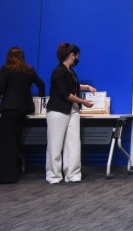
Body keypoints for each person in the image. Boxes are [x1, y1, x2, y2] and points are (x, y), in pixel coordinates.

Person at [45, 43, 96, 184]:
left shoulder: (70, 72)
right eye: (76, 55)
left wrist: (86, 87)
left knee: (73, 143)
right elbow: (65, 93)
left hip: (73, 110)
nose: (77, 58)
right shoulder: (58, 71)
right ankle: (54, 175)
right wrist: (83, 102)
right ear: (71, 55)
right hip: (58, 110)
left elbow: (72, 85)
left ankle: (73, 174)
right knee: (55, 144)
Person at [0, 47, 45, 183]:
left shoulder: (6, 69)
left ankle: (8, 176)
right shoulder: (29, 70)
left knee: (7, 143)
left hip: (9, 109)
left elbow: (1, 88)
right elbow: (41, 84)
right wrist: (40, 100)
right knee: (17, 140)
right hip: (25, 109)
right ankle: (17, 170)